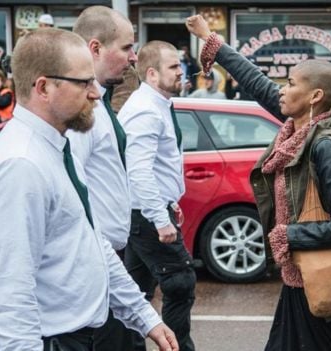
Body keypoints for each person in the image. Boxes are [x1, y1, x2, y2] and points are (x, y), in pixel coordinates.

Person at [0, 28, 178, 351]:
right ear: (44, 88)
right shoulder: (20, 166)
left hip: (72, 337)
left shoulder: (58, 149)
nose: (95, 93)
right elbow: (11, 295)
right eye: (84, 82)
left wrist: (143, 315)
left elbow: (93, 243)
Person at [186, 15, 331, 351]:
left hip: (319, 281)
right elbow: (257, 82)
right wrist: (211, 41)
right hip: (298, 279)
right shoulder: (297, 130)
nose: (282, 90)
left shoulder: (324, 146)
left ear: (315, 97)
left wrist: (288, 234)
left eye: (292, 84)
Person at [67, 6, 139, 350]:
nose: (133, 56)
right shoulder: (82, 109)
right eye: (126, 48)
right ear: (95, 48)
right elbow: (74, 190)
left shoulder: (100, 101)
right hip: (97, 261)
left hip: (108, 256)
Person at [118, 40, 197, 351]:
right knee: (180, 282)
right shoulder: (145, 111)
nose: (181, 71)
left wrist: (169, 201)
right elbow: (138, 172)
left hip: (147, 212)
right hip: (145, 216)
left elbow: (160, 165)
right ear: (152, 74)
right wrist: (159, 218)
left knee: (132, 292)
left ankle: (123, 346)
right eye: (174, 67)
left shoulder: (157, 104)